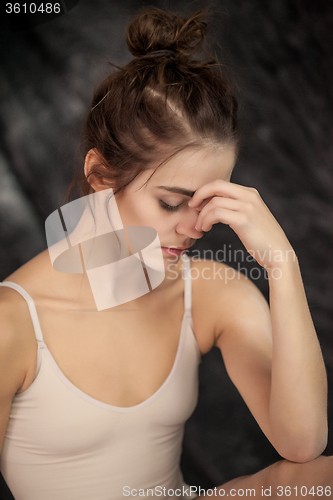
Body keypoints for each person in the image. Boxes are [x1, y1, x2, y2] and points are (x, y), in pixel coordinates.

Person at [0, 6, 332, 500]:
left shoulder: (212, 292)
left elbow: (303, 443)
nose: (194, 226)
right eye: (171, 202)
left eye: (206, 203)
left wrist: (282, 264)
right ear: (100, 175)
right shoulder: (13, 323)